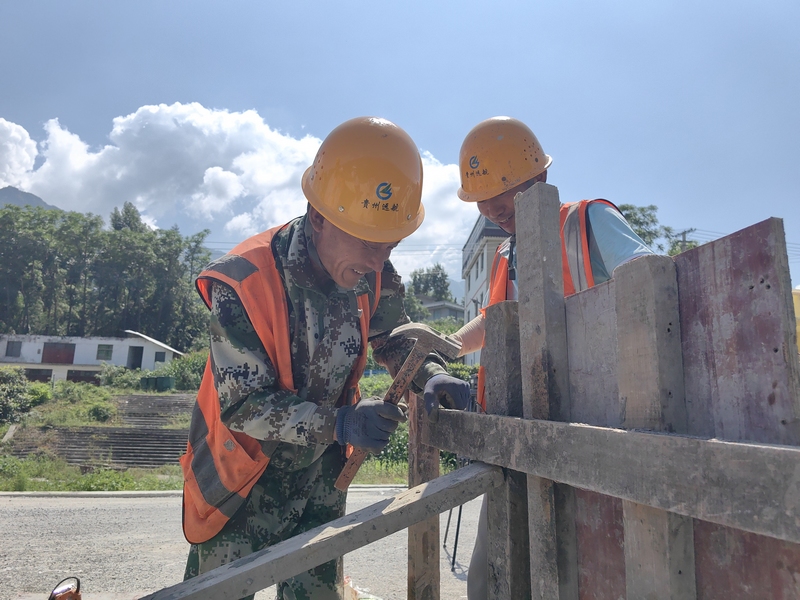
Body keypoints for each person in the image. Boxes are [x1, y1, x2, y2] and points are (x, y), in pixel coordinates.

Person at [180, 116, 470, 600]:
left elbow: (394, 336)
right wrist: (340, 424)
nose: (378, 263)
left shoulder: (371, 269)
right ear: (319, 218)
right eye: (368, 245)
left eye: (390, 246)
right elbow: (245, 405)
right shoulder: (243, 281)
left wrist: (432, 376)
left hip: (319, 477)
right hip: (242, 479)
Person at [451, 116, 654, 599]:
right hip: (518, 435)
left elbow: (648, 276)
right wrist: (445, 345)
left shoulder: (587, 221)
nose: (494, 207)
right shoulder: (505, 256)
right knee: (492, 576)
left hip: (594, 429)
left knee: (586, 571)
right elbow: (498, 321)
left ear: (540, 179)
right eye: (483, 197)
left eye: (504, 189)